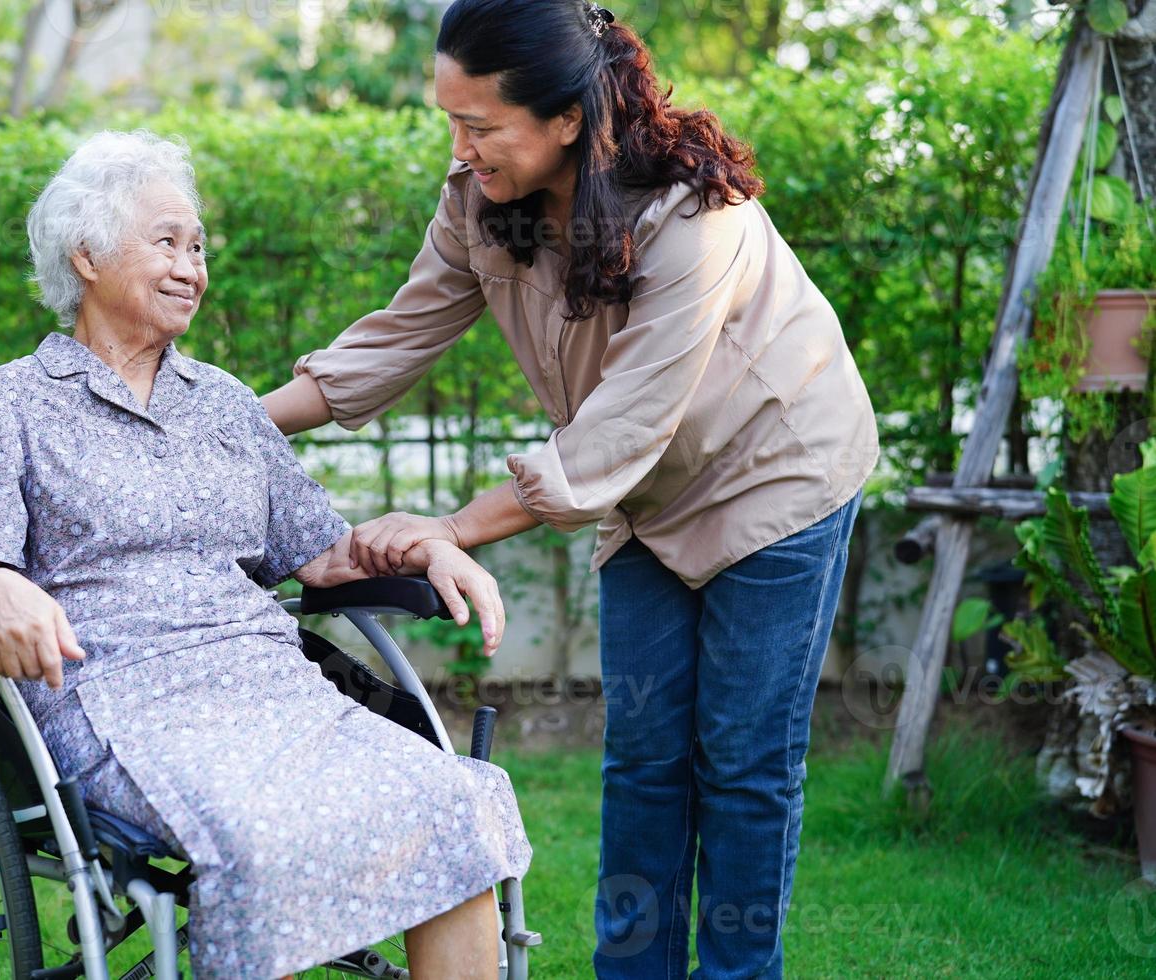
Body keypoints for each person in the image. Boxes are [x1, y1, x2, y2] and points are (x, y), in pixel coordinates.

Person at [260, 2, 879, 977]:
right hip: (644, 497)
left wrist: (451, 528)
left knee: (743, 765)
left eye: (480, 126)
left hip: (775, 475)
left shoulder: (690, 213)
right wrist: (228, 424)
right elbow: (396, 335)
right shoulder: (481, 198)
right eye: (449, 123)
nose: (460, 152)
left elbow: (619, 430)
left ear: (566, 119)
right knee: (643, 761)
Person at [0, 129, 532, 980]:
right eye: (166, 241)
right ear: (85, 254)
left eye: (199, 246)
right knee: (261, 836)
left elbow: (323, 556)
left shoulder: (228, 405)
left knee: (449, 800)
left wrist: (429, 546)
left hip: (271, 688)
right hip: (119, 694)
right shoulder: (6, 405)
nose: (192, 265)